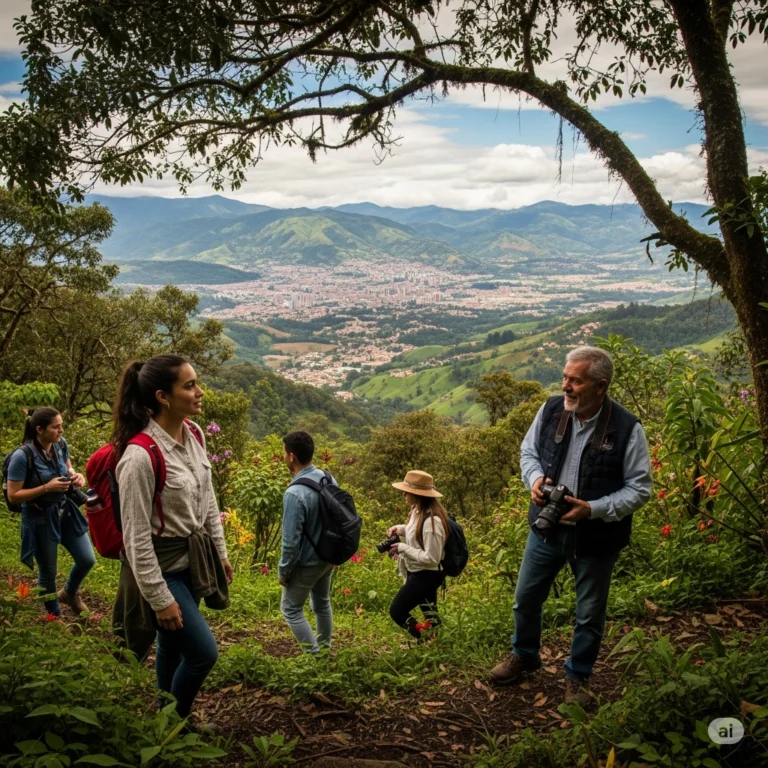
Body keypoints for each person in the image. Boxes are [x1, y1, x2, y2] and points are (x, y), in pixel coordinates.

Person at [489, 346, 652, 705]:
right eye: (565, 377)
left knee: (589, 612)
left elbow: (640, 488)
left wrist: (592, 508)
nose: (566, 386)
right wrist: (533, 480)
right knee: (525, 599)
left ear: (600, 386)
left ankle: (578, 676)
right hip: (547, 526)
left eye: (575, 381)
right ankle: (525, 654)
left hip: (596, 535)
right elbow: (528, 452)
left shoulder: (626, 428)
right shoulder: (550, 410)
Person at [112, 354, 233, 720]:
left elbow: (208, 499)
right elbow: (135, 539)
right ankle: (174, 723)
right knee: (203, 654)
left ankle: (164, 717)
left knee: (171, 647)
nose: (199, 392)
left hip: (193, 560)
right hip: (164, 568)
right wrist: (160, 598)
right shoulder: (140, 456)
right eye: (190, 385)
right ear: (163, 396)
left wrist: (220, 552)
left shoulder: (194, 435)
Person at [6, 407, 95, 616]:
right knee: (48, 572)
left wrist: (76, 476)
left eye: (61, 425)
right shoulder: (22, 456)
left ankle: (69, 593)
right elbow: (13, 495)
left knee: (87, 559)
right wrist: (47, 488)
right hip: (39, 517)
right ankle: (53, 618)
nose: (61, 430)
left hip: (64, 511)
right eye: (56, 427)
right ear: (39, 429)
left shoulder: (60, 445)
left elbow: (67, 467)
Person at [278, 431, 336, 655]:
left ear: (291, 457)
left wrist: (284, 571)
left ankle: (314, 657)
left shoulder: (294, 493)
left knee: (290, 609)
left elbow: (291, 542)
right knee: (322, 603)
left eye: (284, 453)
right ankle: (324, 649)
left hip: (307, 562)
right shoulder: (328, 478)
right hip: (328, 556)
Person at [387, 470, 449, 642]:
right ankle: (437, 642)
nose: (404, 494)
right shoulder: (418, 510)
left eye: (407, 491)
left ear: (417, 494)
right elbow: (415, 532)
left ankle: (423, 639)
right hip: (420, 570)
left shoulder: (432, 522)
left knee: (397, 610)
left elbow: (432, 558)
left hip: (428, 573)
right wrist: (400, 529)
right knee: (430, 613)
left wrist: (403, 548)